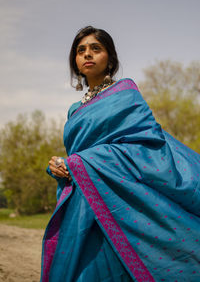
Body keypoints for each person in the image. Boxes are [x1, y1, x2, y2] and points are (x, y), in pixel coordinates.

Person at [40, 26, 200, 282]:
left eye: (96, 48)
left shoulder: (125, 94)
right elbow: (78, 153)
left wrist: (80, 163)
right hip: (85, 202)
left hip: (120, 199)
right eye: (80, 51)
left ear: (110, 59)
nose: (87, 54)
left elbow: (145, 145)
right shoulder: (74, 110)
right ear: (75, 61)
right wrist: (61, 167)